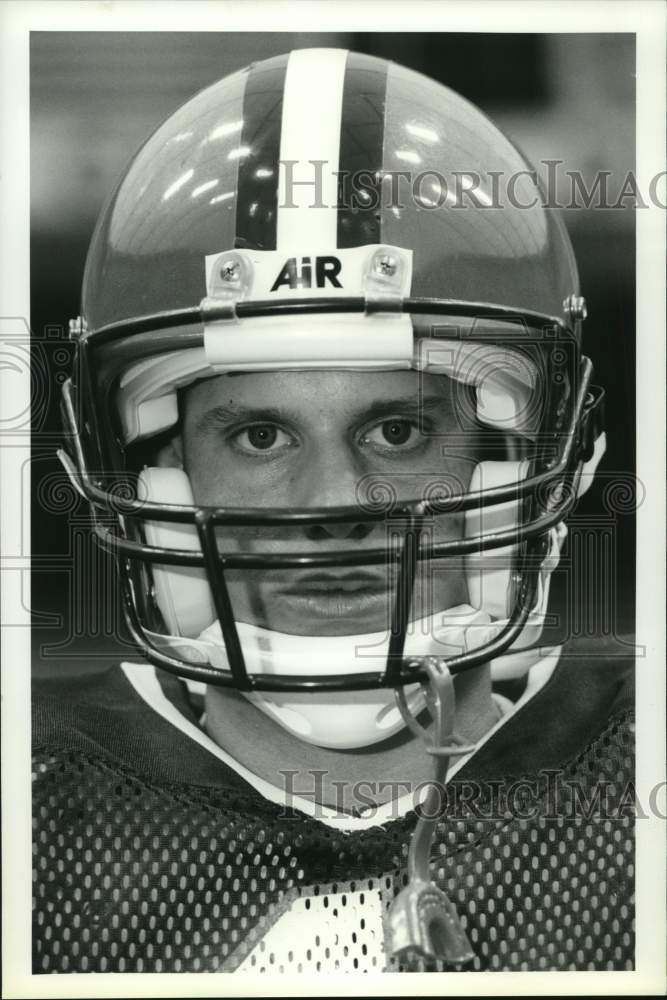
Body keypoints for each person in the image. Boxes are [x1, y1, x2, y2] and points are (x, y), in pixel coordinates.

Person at [32, 47, 633, 974]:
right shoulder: (33, 811)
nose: (334, 501)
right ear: (160, 479)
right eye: (260, 437)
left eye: (396, 431)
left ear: (523, 459)